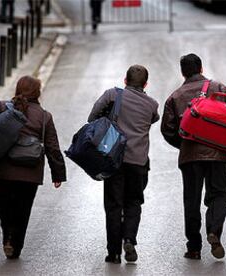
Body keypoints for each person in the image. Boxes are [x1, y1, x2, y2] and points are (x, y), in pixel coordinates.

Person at [161, 53, 226, 260]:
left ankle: (194, 247)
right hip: (219, 154)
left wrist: (185, 144)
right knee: (219, 194)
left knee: (192, 200)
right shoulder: (219, 88)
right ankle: (214, 231)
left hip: (190, 157)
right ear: (201, 68)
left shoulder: (175, 97)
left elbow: (168, 130)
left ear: (183, 72)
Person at [0, 76, 66, 259]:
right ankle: (14, 245)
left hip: (3, 169)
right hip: (29, 172)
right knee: (23, 210)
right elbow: (52, 147)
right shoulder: (44, 116)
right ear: (38, 93)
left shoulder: (3, 107)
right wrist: (57, 174)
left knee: (1, 203)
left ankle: (8, 234)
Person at [88, 65, 159, 264]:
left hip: (114, 159)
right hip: (138, 161)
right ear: (146, 84)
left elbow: (92, 118)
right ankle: (129, 239)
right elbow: (153, 119)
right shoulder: (152, 105)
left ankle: (114, 253)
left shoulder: (112, 95)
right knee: (134, 202)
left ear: (125, 80)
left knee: (113, 205)